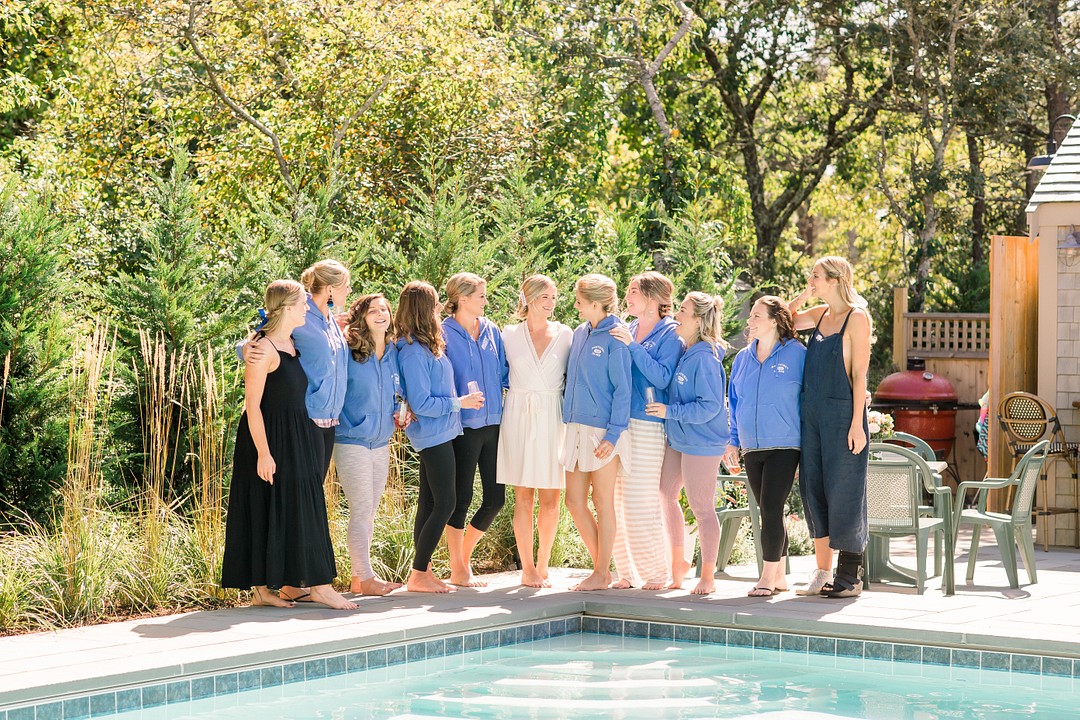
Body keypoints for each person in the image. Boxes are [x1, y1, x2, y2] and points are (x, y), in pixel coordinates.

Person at [221, 280, 357, 610]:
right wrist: (264, 454)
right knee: (265, 504)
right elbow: (251, 406)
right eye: (301, 304)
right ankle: (314, 586)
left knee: (301, 503)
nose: (307, 308)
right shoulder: (263, 349)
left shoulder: (292, 341)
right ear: (286, 309)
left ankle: (275, 588)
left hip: (297, 431)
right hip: (268, 437)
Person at [789, 256, 873, 598]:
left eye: (817, 276)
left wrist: (857, 424)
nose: (812, 279)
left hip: (842, 415)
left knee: (846, 490)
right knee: (814, 489)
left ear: (836, 280)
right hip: (812, 415)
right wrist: (804, 296)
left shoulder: (857, 318)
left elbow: (859, 375)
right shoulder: (819, 315)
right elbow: (788, 319)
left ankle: (850, 575)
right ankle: (823, 571)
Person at [396, 281, 484, 593]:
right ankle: (419, 574)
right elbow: (421, 404)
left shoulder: (424, 345)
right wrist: (459, 403)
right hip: (432, 434)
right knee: (447, 502)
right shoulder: (411, 352)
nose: (439, 310)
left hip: (442, 431)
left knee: (429, 501)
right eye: (434, 305)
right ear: (424, 310)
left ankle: (423, 571)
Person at [725, 296, 806, 597]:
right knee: (769, 510)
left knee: (770, 509)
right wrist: (733, 441)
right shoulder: (742, 359)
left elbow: (809, 397)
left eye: (757, 316)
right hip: (751, 446)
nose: (750, 321)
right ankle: (781, 576)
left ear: (774, 320)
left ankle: (766, 578)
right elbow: (734, 403)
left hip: (786, 445)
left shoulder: (797, 354)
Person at [497, 275, 573, 588]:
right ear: (529, 297)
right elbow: (498, 375)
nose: (551, 303)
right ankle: (526, 568)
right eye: (545, 297)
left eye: (554, 297)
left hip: (553, 417)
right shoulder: (508, 334)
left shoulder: (567, 335)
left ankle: (543, 564)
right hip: (518, 415)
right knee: (523, 497)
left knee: (552, 497)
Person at [650, 292, 729, 594]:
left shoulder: (706, 359)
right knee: (666, 492)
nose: (675, 314)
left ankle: (707, 576)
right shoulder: (686, 351)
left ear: (698, 320)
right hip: (679, 438)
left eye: (682, 310)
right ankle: (679, 562)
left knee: (702, 508)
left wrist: (671, 411)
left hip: (703, 443)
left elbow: (710, 406)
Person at [608, 272, 682, 590]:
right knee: (615, 500)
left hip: (649, 425)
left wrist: (633, 348)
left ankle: (657, 572)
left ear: (652, 299)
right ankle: (626, 572)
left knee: (640, 502)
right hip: (621, 423)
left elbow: (663, 377)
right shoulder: (632, 328)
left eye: (633, 291)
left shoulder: (671, 333)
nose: (628, 296)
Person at [562, 274, 632, 591]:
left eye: (579, 299)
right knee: (574, 501)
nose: (575, 304)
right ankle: (602, 570)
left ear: (595, 303)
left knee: (602, 501)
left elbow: (623, 391)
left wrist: (613, 435)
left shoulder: (616, 337)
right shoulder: (579, 333)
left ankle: (601, 572)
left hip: (604, 430)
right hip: (575, 427)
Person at [333, 294, 406, 596]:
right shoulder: (347, 348)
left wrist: (402, 409)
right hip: (351, 439)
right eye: (373, 311)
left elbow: (398, 390)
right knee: (362, 509)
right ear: (361, 317)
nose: (380, 315)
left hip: (381, 440)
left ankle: (358, 577)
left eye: (384, 310)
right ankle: (366, 578)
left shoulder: (393, 351)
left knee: (370, 510)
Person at [441, 273, 509, 587]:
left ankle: (462, 559)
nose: (486, 300)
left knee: (496, 499)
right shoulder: (443, 332)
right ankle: (458, 568)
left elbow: (505, 372)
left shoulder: (492, 329)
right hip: (463, 426)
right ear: (463, 299)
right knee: (461, 497)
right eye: (481, 295)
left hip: (494, 423)